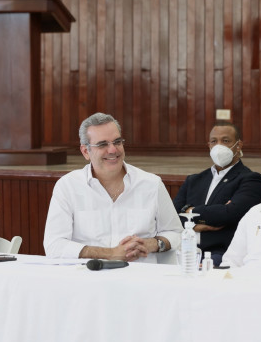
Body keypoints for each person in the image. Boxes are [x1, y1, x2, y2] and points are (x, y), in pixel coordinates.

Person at [43, 112, 182, 263]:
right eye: (102, 144)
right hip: (88, 275)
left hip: (141, 275)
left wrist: (153, 244)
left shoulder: (152, 184)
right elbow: (54, 245)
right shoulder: (67, 186)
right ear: (85, 151)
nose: (113, 150)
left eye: (117, 142)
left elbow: (177, 233)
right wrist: (110, 254)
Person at [172, 121, 261, 266]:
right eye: (214, 141)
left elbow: (230, 214)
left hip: (221, 253)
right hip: (184, 249)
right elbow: (172, 216)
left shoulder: (250, 179)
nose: (219, 146)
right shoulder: (194, 180)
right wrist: (196, 225)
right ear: (209, 145)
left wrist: (190, 211)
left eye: (226, 141)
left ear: (238, 145)